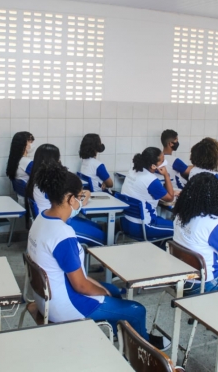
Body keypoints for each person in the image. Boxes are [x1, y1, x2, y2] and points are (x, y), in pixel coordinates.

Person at [27, 160, 170, 350]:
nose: (80, 201)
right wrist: (103, 294)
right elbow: (80, 285)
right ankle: (143, 353)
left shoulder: (41, 218)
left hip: (46, 298)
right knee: (137, 310)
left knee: (113, 290)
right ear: (70, 199)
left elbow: (77, 279)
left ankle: (121, 335)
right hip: (66, 306)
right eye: (79, 197)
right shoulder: (62, 234)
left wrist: (106, 291)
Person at [26, 144, 104, 247]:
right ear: (53, 161)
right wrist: (85, 195)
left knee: (97, 228)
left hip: (49, 221)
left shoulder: (37, 181)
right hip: (60, 222)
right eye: (58, 158)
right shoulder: (52, 183)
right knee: (101, 235)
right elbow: (75, 202)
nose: (59, 161)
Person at [120, 147, 176, 239]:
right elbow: (170, 198)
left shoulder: (132, 171)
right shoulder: (151, 180)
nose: (164, 163)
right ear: (153, 166)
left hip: (126, 223)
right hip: (144, 227)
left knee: (163, 221)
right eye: (162, 161)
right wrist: (166, 175)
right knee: (179, 230)